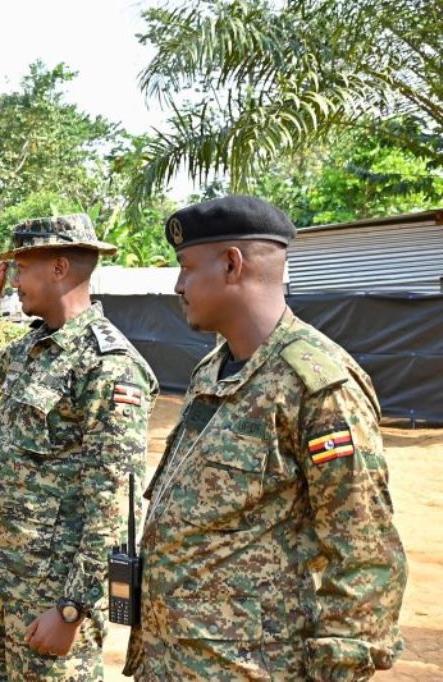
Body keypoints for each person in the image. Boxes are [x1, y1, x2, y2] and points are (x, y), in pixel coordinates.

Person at [124, 195, 408, 680]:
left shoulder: (316, 383)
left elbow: (365, 552)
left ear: (232, 264)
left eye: (187, 267)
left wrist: (335, 670)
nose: (178, 285)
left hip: (252, 666)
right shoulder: (211, 370)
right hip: (173, 657)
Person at [0, 214, 158, 680]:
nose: (14, 281)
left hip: (53, 592)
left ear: (59, 268)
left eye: (21, 268)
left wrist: (72, 609)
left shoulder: (108, 364)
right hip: (4, 576)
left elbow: (116, 505)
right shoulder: (37, 345)